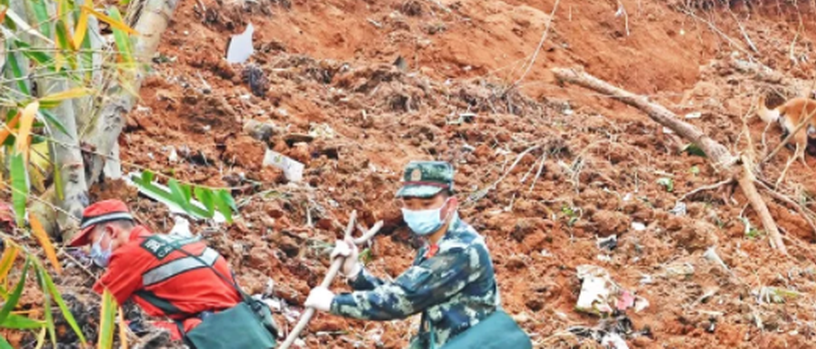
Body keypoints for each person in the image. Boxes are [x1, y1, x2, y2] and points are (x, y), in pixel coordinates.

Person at [304, 161, 506, 348]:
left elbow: (403, 300)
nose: (417, 211)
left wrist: (335, 303)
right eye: (409, 204)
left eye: (427, 204)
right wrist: (355, 272)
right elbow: (407, 291)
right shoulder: (436, 244)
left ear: (451, 204)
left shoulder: (460, 250)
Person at [70, 200, 274, 344]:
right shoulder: (173, 241)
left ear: (111, 232)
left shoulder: (130, 254)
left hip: (212, 332)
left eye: (91, 241)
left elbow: (95, 306)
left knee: (125, 331)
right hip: (242, 323)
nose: (90, 250)